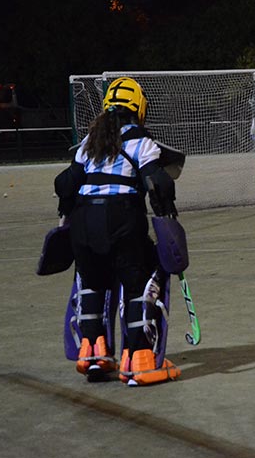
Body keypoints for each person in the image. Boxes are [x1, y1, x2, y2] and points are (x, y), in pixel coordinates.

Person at [54, 77, 181, 385]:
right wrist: (167, 216)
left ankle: (93, 353)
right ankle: (139, 360)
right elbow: (159, 183)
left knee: (93, 281)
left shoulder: (88, 143)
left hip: (84, 224)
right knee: (140, 281)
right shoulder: (140, 141)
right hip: (121, 219)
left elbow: (65, 184)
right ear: (138, 107)